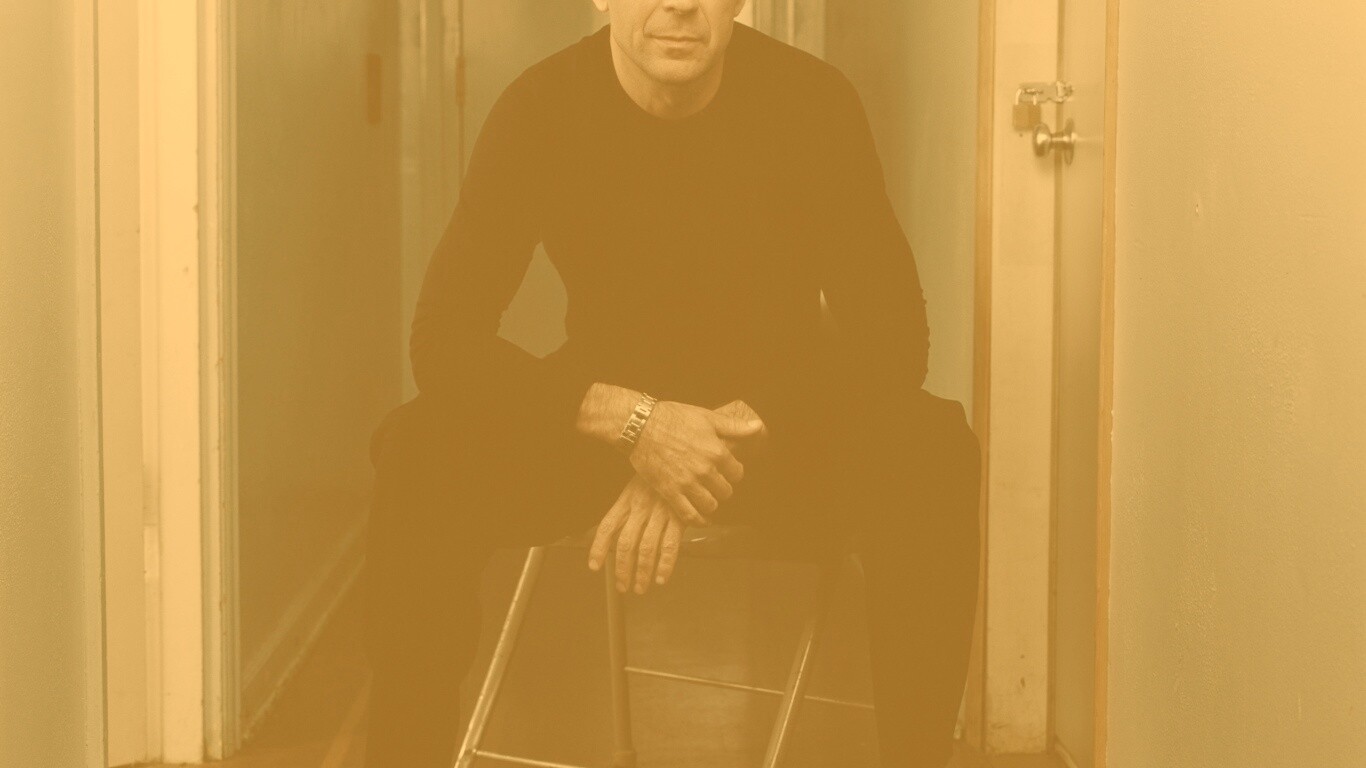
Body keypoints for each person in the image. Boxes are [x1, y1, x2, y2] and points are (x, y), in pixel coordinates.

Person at [362, 1, 982, 765]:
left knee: (931, 447)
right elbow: (444, 340)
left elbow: (894, 338)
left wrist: (711, 441)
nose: (680, 3)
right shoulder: (540, 109)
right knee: (418, 449)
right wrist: (639, 426)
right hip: (602, 425)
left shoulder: (812, 102)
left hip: (772, 430)